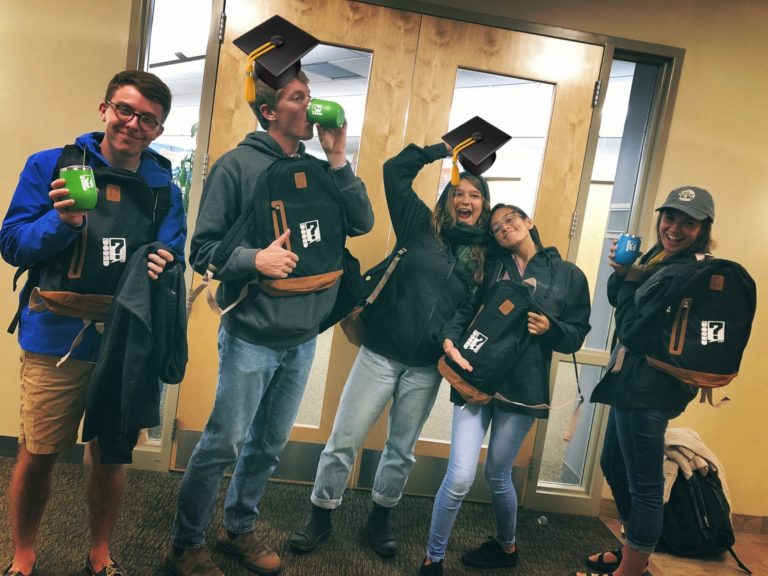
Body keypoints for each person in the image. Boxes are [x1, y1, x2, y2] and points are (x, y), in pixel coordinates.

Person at [164, 70, 373, 576]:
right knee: (223, 442)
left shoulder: (319, 169)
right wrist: (254, 260)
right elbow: (203, 252)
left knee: (269, 445)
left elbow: (362, 222)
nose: (311, 106)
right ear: (269, 111)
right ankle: (186, 545)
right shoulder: (236, 167)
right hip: (251, 334)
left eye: (310, 96)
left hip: (303, 336)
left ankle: (238, 529)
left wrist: (338, 157)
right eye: (298, 97)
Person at [0, 70, 186, 576]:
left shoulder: (164, 188)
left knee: (112, 454)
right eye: (124, 110)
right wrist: (62, 223)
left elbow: (173, 251)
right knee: (39, 451)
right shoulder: (50, 166)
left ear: (158, 130)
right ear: (105, 109)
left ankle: (99, 553)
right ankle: (23, 554)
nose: (133, 124)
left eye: (148, 119)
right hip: (56, 334)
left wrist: (164, 261)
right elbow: (12, 244)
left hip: (126, 339)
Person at [288, 141, 491, 558]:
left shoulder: (483, 257)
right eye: (458, 193)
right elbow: (394, 171)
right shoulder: (420, 226)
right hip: (380, 352)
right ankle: (320, 515)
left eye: (475, 195)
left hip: (426, 367)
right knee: (345, 438)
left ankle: (379, 519)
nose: (465, 201)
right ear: (447, 199)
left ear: (483, 206)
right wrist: (442, 149)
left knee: (401, 450)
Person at [419, 204, 592, 575]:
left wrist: (552, 328)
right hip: (475, 379)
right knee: (460, 475)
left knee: (498, 473)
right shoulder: (493, 267)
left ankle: (506, 547)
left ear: (529, 221)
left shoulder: (568, 275)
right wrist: (449, 340)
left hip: (522, 388)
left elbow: (576, 335)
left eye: (510, 220)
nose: (503, 229)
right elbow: (466, 309)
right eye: (496, 227)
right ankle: (433, 558)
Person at [580, 186, 716, 576]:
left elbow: (631, 329)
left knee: (644, 484)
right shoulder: (659, 258)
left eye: (688, 223)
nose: (674, 228)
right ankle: (632, 552)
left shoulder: (685, 270)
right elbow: (623, 303)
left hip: (651, 388)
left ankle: (632, 569)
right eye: (669, 217)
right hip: (633, 381)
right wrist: (623, 274)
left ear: (703, 229)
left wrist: (628, 281)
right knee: (613, 462)